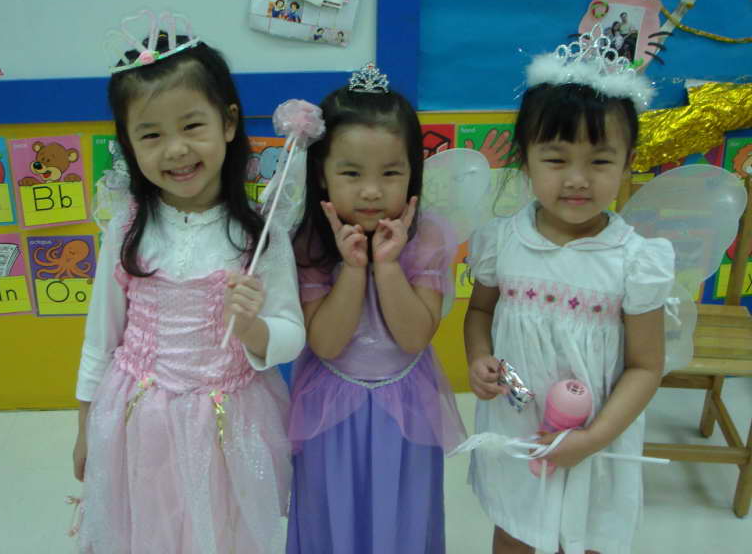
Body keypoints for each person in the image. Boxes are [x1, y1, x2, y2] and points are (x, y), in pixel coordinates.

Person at [72, 15, 304, 553]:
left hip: (227, 425)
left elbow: (292, 332)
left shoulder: (259, 234)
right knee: (148, 526)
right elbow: (99, 338)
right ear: (129, 144)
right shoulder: (127, 227)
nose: (176, 150)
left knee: (220, 531)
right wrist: (85, 428)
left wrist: (253, 329)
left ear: (228, 122)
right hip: (138, 421)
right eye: (151, 135)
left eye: (192, 126)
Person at [465, 42, 673, 554]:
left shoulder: (635, 261)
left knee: (586, 534)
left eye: (600, 161)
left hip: (596, 438)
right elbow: (480, 310)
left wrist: (593, 440)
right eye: (556, 159)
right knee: (514, 529)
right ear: (526, 159)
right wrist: (478, 358)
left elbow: (646, 366)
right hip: (517, 425)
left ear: (627, 164)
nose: (577, 180)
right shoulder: (501, 241)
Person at [286, 64, 465, 554]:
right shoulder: (308, 241)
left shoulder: (427, 235)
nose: (371, 190)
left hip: (405, 402)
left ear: (413, 173)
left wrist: (386, 265)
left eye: (390, 173)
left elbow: (414, 337)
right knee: (332, 514)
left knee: (401, 514)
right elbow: (326, 343)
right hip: (330, 406)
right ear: (322, 175)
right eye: (351, 173)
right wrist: (352, 268)